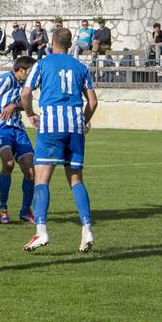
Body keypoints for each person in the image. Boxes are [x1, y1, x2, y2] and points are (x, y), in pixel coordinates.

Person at [20, 27, 98, 252]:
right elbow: (93, 102)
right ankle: (87, 229)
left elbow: (25, 93)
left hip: (51, 125)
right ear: (70, 44)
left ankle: (41, 231)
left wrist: (30, 114)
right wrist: (82, 121)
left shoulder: (42, 64)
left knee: (41, 179)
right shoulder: (81, 67)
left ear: (52, 42)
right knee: (76, 180)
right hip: (75, 127)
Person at [0, 57, 37, 225]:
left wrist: (14, 105)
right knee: (9, 163)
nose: (33, 75)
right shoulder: (5, 79)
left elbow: (26, 104)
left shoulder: (27, 85)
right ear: (21, 71)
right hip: (0, 127)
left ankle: (25, 211)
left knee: (31, 170)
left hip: (18, 128)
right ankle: (3, 208)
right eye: (30, 72)